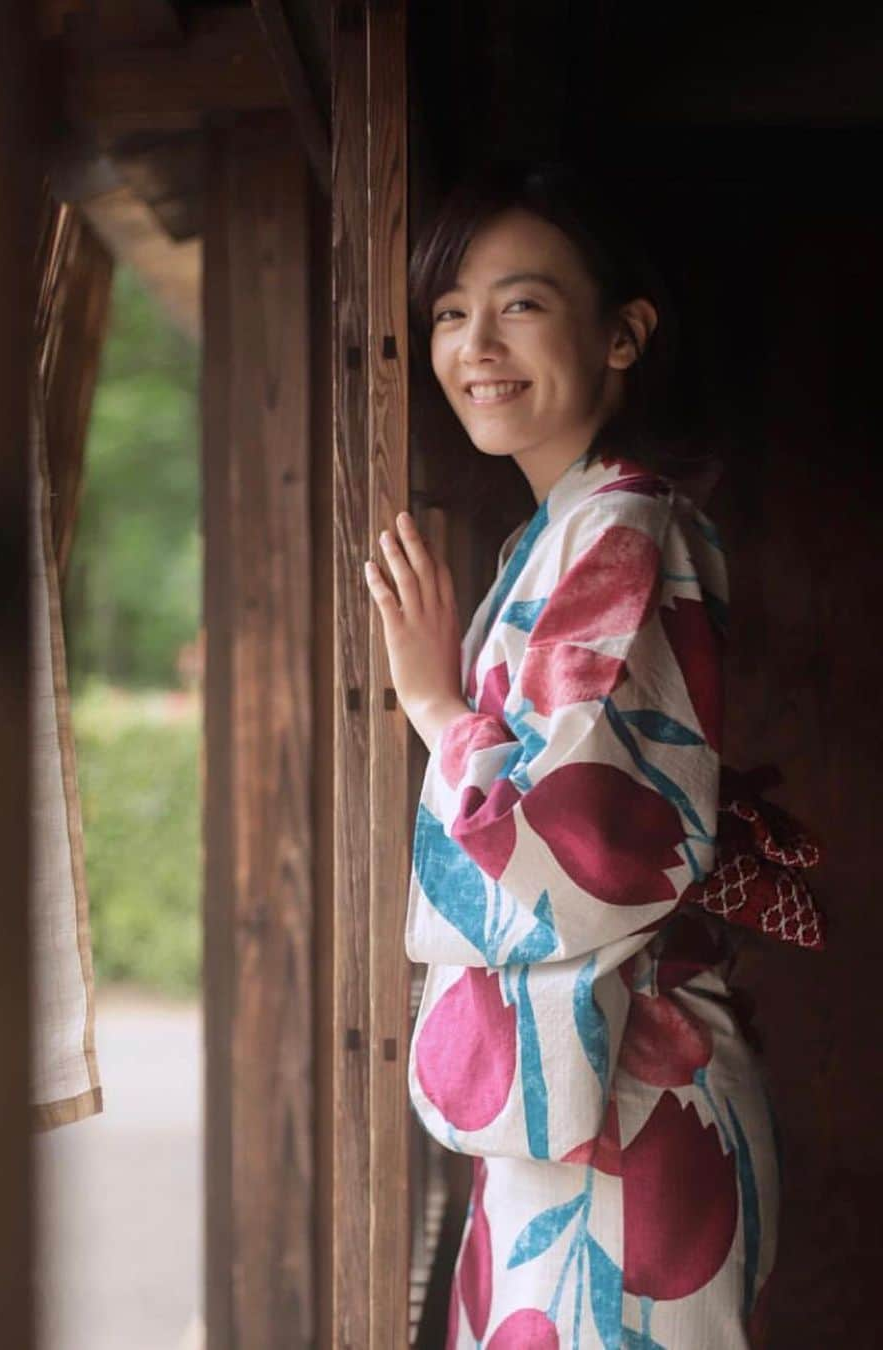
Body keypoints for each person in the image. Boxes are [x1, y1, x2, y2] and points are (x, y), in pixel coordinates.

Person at [363, 162, 793, 1349]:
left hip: (630, 1094)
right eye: (450, 311)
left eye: (522, 303)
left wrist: (437, 707)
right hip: (590, 1089)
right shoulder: (564, 529)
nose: (474, 343)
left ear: (622, 335)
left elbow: (592, 842)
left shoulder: (623, 526)